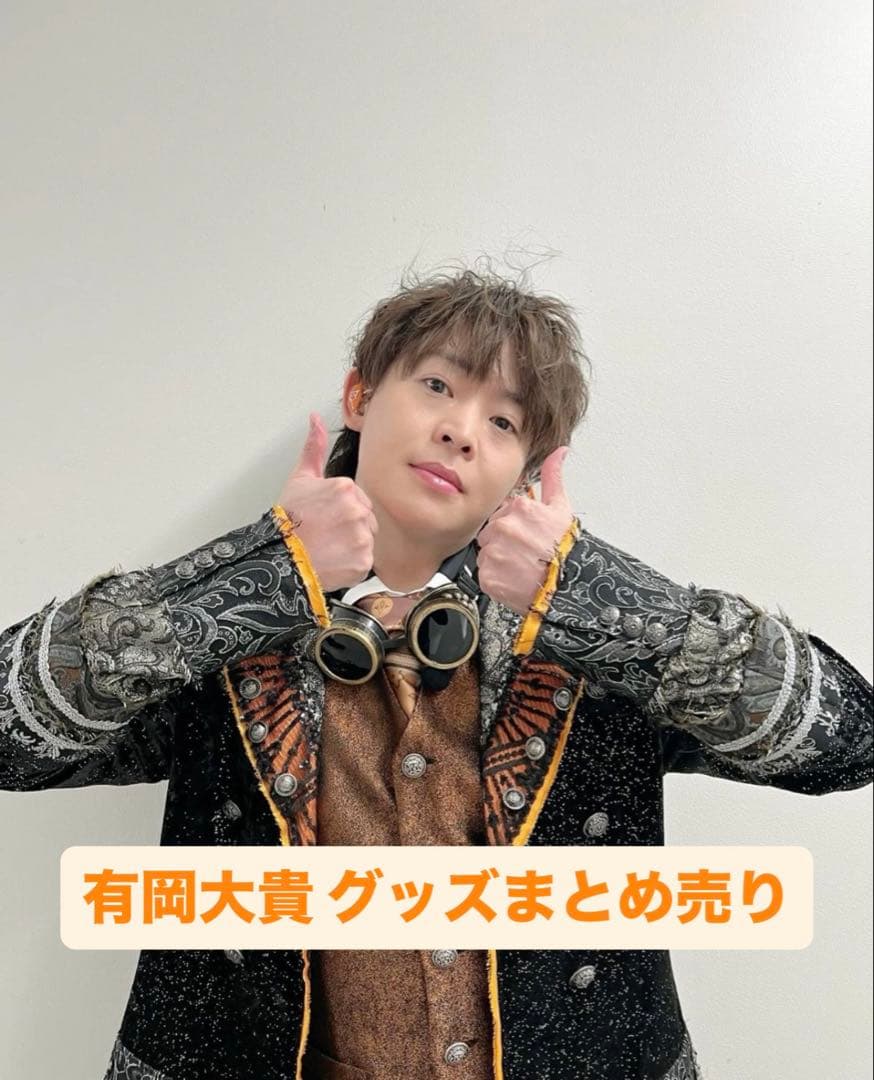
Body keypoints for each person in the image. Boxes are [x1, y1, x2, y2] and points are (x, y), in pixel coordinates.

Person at [1, 266, 871, 1080]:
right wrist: (257, 578)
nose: (461, 430)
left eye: (505, 423)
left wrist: (595, 597)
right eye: (438, 386)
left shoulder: (601, 646)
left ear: (527, 473)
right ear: (359, 396)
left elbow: (848, 740)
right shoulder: (228, 639)